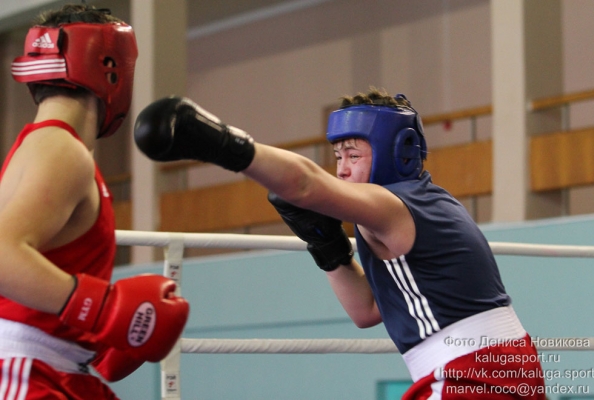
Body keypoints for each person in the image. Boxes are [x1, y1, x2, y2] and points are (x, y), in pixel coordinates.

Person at [133, 88, 545, 399]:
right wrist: (327, 246)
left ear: (396, 152)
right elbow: (367, 311)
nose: (342, 170)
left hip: (473, 374)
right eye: (337, 157)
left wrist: (218, 143)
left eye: (354, 155)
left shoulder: (396, 206)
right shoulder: (407, 210)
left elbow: (304, 184)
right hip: (489, 368)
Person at [0, 4, 189, 399]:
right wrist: (103, 309)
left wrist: (101, 338)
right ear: (113, 71)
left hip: (59, 368)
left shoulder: (49, 146)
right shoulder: (60, 149)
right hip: (29, 371)